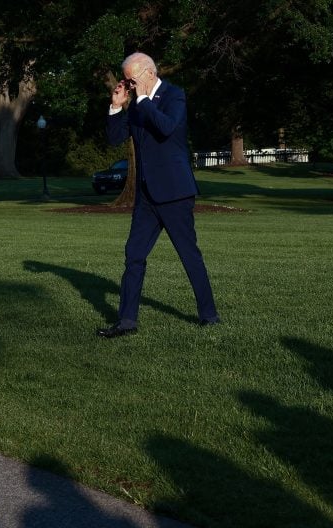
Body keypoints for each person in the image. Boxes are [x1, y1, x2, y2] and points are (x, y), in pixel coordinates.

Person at [98, 52, 219, 338]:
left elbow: (166, 128)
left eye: (131, 78)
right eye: (125, 80)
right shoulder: (136, 105)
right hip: (146, 196)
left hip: (175, 193)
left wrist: (140, 100)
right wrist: (116, 107)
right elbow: (115, 138)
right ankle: (127, 321)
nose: (127, 84)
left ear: (149, 73)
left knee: (189, 255)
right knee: (134, 255)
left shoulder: (174, 95)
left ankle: (209, 316)